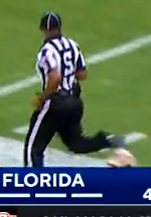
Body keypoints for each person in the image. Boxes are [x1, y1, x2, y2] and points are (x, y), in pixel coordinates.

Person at [23, 12, 124, 167]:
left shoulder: (47, 51)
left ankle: (35, 183)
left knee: (34, 149)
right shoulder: (72, 45)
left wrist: (43, 98)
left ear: (43, 29)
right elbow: (82, 74)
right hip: (74, 102)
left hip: (55, 103)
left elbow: (55, 78)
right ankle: (105, 140)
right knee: (77, 143)